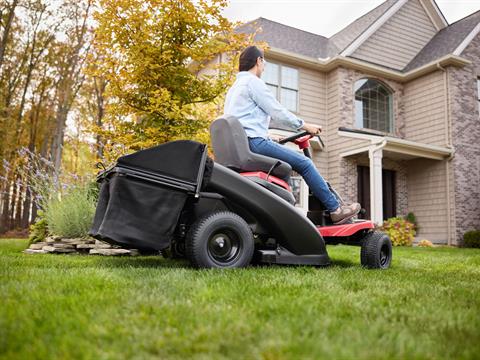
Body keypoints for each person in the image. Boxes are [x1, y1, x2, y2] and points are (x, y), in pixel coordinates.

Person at [223, 45, 360, 224]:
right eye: (264, 62)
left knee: (284, 170)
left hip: (243, 144)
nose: (264, 66)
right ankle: (335, 209)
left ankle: (286, 216)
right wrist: (304, 125)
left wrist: (270, 137)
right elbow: (277, 111)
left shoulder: (234, 89)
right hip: (254, 143)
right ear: (258, 61)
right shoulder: (253, 82)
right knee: (305, 164)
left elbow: (241, 123)